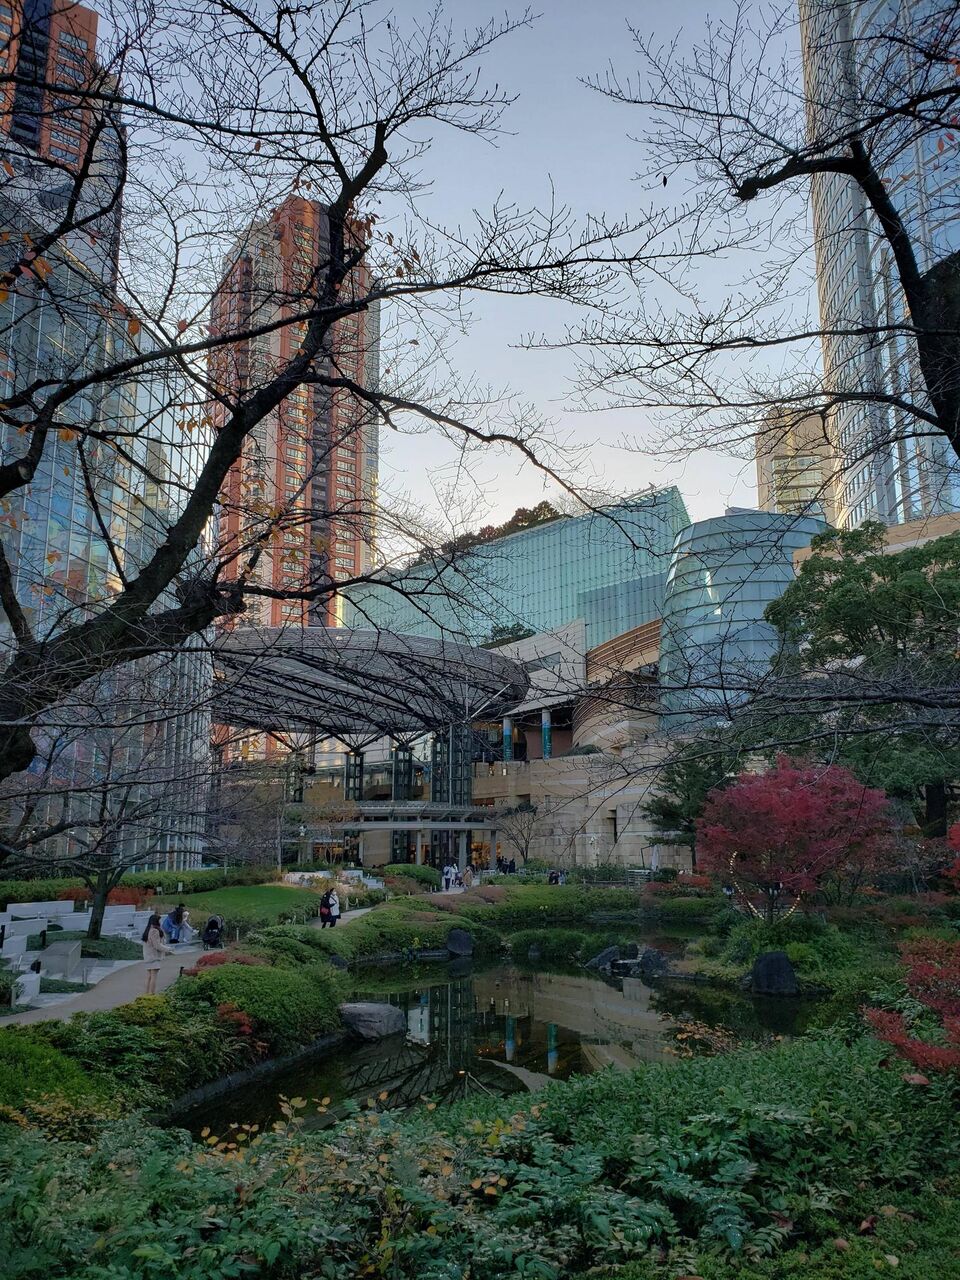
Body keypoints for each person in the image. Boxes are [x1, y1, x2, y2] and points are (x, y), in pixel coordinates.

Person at [142, 912, 172, 995]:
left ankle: (146, 994)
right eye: (159, 920)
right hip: (154, 957)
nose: (160, 922)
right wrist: (169, 949)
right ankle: (152, 994)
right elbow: (157, 945)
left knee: (149, 976)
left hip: (148, 956)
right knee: (153, 977)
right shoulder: (154, 931)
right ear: (156, 921)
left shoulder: (148, 930)